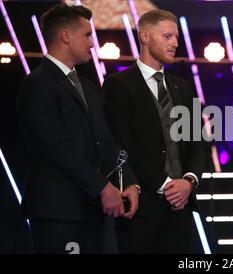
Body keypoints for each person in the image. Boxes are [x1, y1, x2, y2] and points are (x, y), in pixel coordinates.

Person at [17, 4, 139, 254]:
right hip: (58, 212)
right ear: (65, 36)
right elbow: (55, 147)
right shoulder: (37, 84)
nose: (92, 43)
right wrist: (103, 188)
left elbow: (107, 142)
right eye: (87, 35)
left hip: (94, 210)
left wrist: (130, 183)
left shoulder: (88, 87)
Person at [102, 9, 208, 253]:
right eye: (168, 36)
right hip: (140, 207)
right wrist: (166, 183)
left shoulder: (183, 87)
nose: (175, 44)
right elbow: (121, 143)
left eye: (177, 38)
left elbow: (199, 142)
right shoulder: (119, 85)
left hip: (180, 207)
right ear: (145, 36)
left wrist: (188, 182)